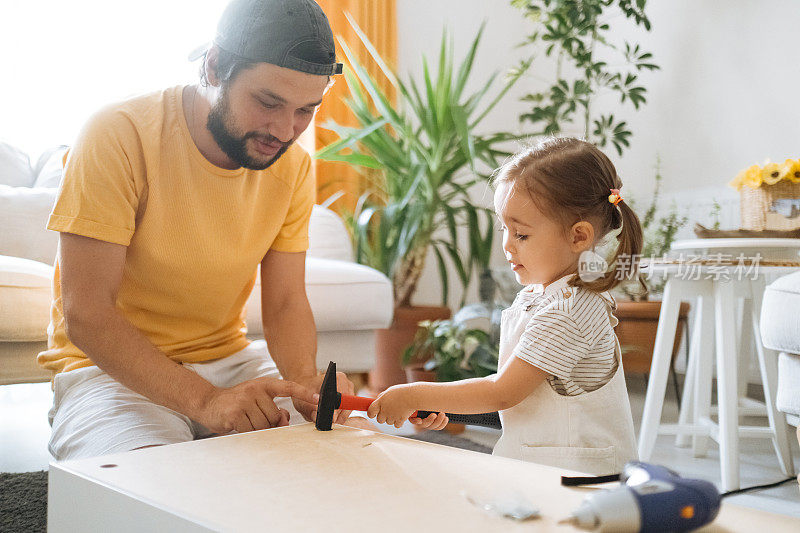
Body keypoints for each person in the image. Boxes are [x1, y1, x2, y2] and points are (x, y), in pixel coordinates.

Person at [37, 0, 431, 461]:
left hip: (231, 364)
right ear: (215, 66)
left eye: (306, 110)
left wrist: (306, 383)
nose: (285, 130)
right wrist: (206, 403)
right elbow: (86, 312)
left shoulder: (294, 167)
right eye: (268, 102)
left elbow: (285, 302)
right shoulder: (118, 134)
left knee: (357, 456)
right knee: (152, 488)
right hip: (109, 372)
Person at [367, 137, 642, 475]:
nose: (507, 246)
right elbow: (522, 394)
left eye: (521, 234)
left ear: (578, 236)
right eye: (504, 228)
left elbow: (503, 392)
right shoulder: (544, 294)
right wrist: (439, 404)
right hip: (545, 467)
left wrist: (416, 393)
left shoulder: (570, 310)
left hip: (580, 476)